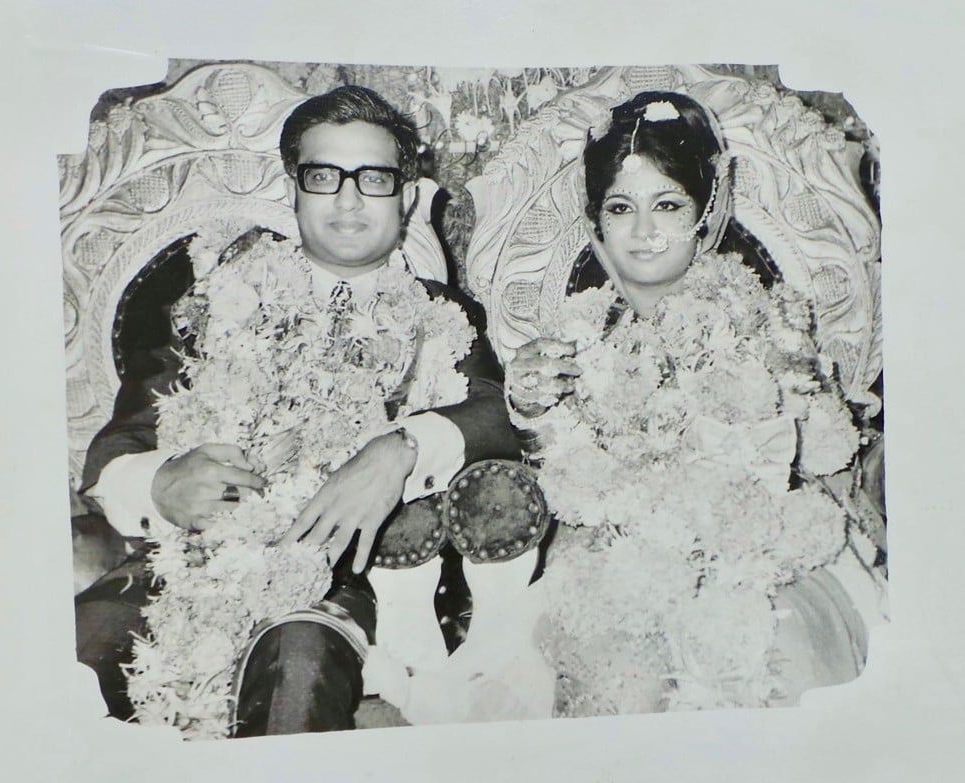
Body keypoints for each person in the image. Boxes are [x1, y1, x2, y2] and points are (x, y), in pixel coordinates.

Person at [74, 85, 519, 736]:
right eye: (323, 175)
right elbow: (115, 450)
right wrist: (162, 483)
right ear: (294, 191)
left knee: (298, 657)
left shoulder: (442, 317)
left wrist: (401, 448)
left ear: (408, 197)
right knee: (71, 642)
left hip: (343, 580)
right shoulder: (211, 298)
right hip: (182, 568)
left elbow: (498, 417)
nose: (346, 199)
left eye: (372, 177)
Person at [505, 91, 886, 716]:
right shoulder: (574, 337)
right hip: (617, 555)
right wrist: (532, 410)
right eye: (621, 208)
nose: (645, 232)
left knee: (774, 655)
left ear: (706, 211)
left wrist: (789, 398)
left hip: (755, 547)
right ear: (596, 220)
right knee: (620, 678)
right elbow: (561, 477)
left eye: (668, 205)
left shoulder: (764, 320)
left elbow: (821, 452)